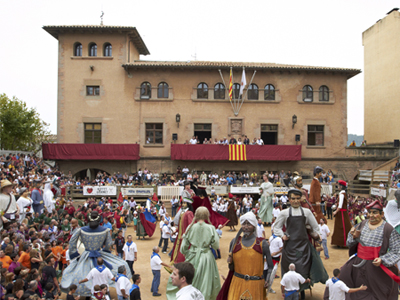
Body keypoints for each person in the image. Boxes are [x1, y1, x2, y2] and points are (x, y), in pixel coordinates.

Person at [274, 189, 328, 300]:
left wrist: (316, 235)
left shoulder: (306, 212)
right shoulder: (284, 213)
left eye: (298, 198)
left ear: (301, 199)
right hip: (289, 248)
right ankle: (290, 291)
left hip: (303, 248)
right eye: (293, 198)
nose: (295, 201)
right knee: (288, 271)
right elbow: (276, 227)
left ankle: (301, 291)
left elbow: (316, 227)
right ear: (289, 199)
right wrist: (282, 235)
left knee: (303, 270)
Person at [340, 200, 400, 299]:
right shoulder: (361, 224)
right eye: (369, 212)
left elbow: (396, 250)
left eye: (375, 212)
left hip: (377, 268)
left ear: (382, 214)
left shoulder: (388, 229)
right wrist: (353, 236)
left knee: (378, 294)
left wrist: (382, 260)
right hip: (358, 266)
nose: (371, 215)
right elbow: (349, 243)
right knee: (348, 284)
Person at [61, 211, 131, 296]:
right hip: (99, 253)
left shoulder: (81, 230)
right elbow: (109, 243)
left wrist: (74, 253)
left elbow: (72, 241)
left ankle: (88, 292)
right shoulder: (105, 230)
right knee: (122, 264)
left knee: (77, 272)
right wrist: (106, 251)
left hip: (86, 254)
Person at [217, 211, 273, 300]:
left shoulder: (262, 244)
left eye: (249, 224)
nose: (246, 226)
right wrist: (230, 262)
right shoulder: (234, 242)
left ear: (254, 226)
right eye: (244, 223)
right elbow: (231, 268)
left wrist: (268, 279)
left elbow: (270, 266)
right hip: (237, 283)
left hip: (256, 285)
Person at [168, 207, 220, 300]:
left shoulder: (190, 227)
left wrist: (187, 253)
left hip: (192, 255)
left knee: (189, 279)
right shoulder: (211, 228)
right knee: (206, 281)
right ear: (206, 215)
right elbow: (216, 245)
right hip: (207, 257)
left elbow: (183, 247)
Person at [331, 180, 351, 247]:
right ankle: (342, 242)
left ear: (341, 186)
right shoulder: (343, 193)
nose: (338, 186)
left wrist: (335, 212)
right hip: (342, 212)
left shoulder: (342, 194)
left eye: (339, 185)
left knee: (342, 227)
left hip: (341, 213)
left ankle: (343, 243)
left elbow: (340, 206)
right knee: (343, 227)